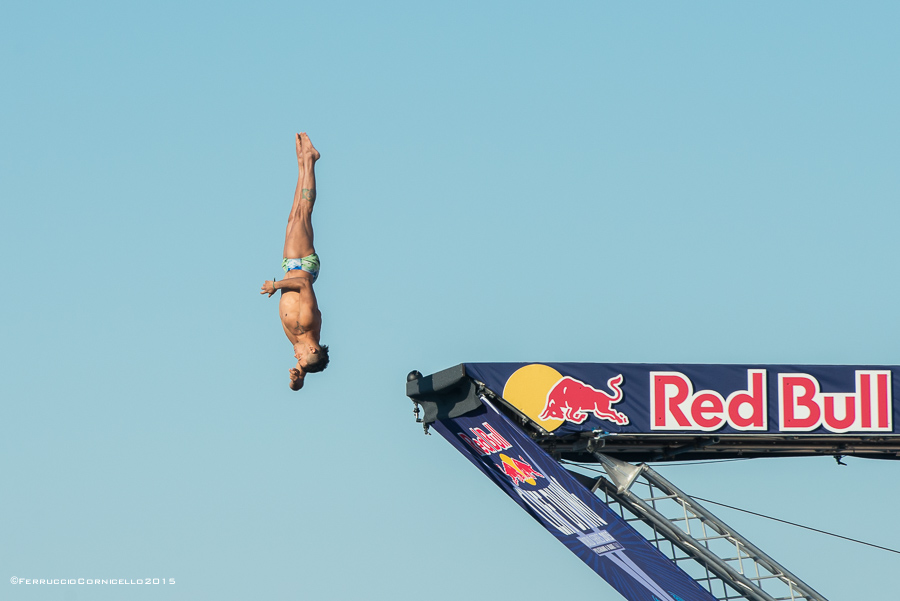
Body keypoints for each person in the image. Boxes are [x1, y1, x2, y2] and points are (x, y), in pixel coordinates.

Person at [260, 133, 329, 390]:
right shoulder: (308, 323)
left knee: (293, 215)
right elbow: (304, 285)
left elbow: (298, 383)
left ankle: (302, 163)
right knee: (303, 211)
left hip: (291, 265)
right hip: (302, 265)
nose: (295, 357)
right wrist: (275, 286)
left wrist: (297, 380)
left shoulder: (303, 341)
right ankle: (310, 160)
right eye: (300, 356)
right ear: (313, 348)